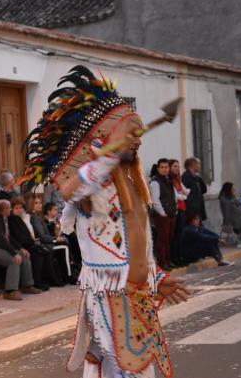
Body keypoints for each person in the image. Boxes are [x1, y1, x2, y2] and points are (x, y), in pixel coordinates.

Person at [18, 65, 188, 378]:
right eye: (131, 131)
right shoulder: (92, 185)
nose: (138, 138)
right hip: (111, 298)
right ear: (105, 136)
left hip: (136, 297)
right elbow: (71, 188)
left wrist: (158, 277)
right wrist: (107, 157)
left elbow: (136, 245)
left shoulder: (131, 183)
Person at [0, 199, 41, 301]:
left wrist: (20, 248)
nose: (11, 209)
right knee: (14, 260)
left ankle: (27, 285)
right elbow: (1, 240)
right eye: (9, 207)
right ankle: (10, 291)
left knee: (25, 256)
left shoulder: (4, 218)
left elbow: (9, 237)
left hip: (2, 247)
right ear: (4, 209)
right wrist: (14, 253)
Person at [8, 197, 59, 290]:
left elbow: (27, 234)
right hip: (20, 246)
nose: (19, 210)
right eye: (17, 208)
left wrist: (34, 242)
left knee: (45, 251)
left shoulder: (20, 218)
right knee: (38, 254)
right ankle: (37, 282)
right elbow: (13, 238)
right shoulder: (11, 220)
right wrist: (22, 247)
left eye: (21, 208)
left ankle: (46, 280)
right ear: (12, 209)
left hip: (29, 244)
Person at [29, 197, 71, 284]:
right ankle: (68, 276)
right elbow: (41, 236)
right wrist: (55, 239)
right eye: (36, 203)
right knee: (65, 246)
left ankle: (64, 275)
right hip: (43, 243)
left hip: (47, 241)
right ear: (31, 206)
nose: (39, 204)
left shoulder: (38, 217)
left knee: (65, 241)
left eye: (40, 202)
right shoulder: (34, 218)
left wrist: (56, 235)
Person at [149, 158, 176, 270]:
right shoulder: (155, 182)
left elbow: (172, 195)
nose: (165, 169)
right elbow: (155, 200)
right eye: (162, 167)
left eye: (166, 167)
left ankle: (169, 261)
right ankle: (162, 262)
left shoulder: (168, 180)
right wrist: (162, 213)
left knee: (169, 239)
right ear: (158, 168)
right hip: (162, 215)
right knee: (162, 240)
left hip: (171, 213)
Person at [169, 159, 190, 267]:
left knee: (180, 235)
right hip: (176, 209)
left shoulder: (178, 179)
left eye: (178, 166)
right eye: (174, 166)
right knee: (175, 236)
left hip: (182, 208)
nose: (177, 169)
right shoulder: (170, 180)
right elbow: (177, 195)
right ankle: (174, 258)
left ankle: (179, 257)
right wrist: (183, 195)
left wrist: (183, 194)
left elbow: (185, 191)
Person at [182, 157, 208, 221]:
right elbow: (185, 194)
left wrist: (199, 178)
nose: (199, 166)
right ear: (193, 164)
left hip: (198, 210)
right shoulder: (186, 177)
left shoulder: (197, 177)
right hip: (191, 211)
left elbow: (204, 190)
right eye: (198, 164)